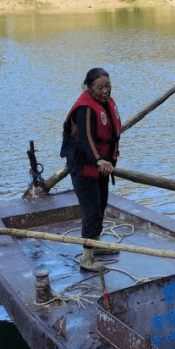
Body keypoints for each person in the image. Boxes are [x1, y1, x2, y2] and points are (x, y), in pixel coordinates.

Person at [61, 68, 120, 272]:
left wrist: (110, 159)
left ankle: (95, 245)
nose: (105, 91)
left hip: (102, 166)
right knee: (91, 210)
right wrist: (99, 160)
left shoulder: (106, 104)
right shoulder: (85, 108)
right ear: (89, 88)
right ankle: (87, 258)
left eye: (107, 85)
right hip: (84, 165)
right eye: (99, 87)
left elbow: (111, 134)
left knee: (101, 204)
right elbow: (85, 139)